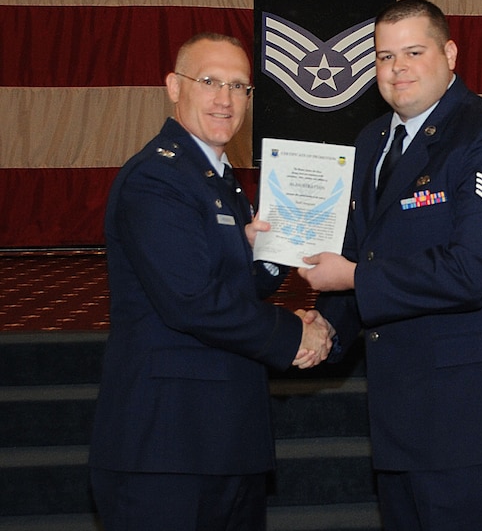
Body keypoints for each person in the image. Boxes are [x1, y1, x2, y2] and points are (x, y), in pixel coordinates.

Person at [298, 0, 482, 530]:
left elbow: (470, 271)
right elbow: (358, 252)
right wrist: (325, 327)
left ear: (450, 53)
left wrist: (353, 278)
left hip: (474, 423)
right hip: (401, 418)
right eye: (385, 57)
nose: (398, 69)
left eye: (413, 52)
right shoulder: (371, 141)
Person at [88, 32, 334, 531]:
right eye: (209, 82)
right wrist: (295, 333)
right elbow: (192, 301)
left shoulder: (219, 180)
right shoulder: (158, 179)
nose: (225, 99)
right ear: (174, 88)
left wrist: (271, 252)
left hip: (223, 441)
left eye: (239, 86)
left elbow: (234, 283)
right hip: (167, 447)